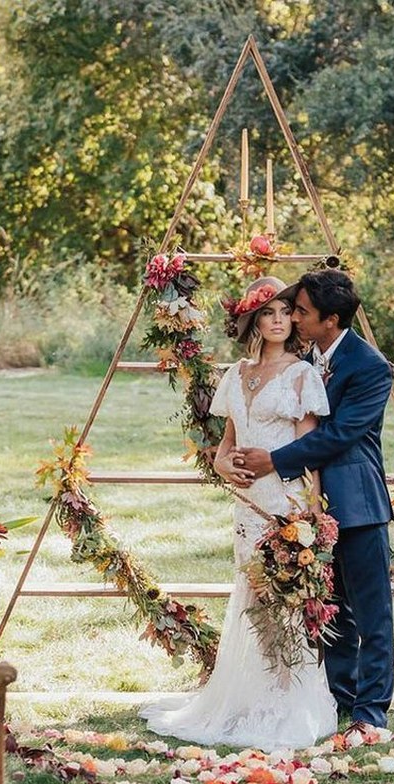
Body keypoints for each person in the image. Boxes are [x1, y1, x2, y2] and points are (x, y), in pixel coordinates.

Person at [139, 276, 337, 750]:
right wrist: (225, 463)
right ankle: (251, 693)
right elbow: (225, 445)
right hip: (246, 505)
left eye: (286, 312)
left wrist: (311, 512)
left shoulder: (302, 375)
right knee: (250, 594)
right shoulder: (238, 373)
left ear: (293, 321)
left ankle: (289, 699)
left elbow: (310, 447)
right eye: (268, 312)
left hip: (283, 502)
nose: (278, 320)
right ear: (254, 320)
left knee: (286, 600)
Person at [234, 268, 394, 729]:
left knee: (371, 613)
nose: (295, 318)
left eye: (302, 311)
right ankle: (340, 699)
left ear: (331, 319)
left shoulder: (369, 367)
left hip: (358, 502)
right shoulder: (311, 357)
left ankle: (371, 711)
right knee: (331, 607)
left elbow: (342, 434)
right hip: (311, 505)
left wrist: (275, 460)